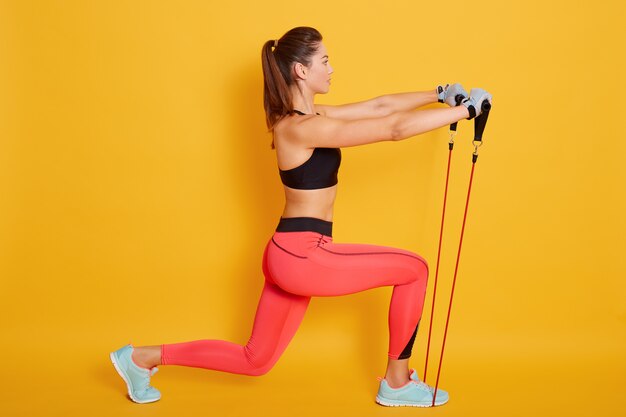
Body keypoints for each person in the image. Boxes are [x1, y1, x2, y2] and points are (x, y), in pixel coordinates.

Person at [109, 26, 492, 407]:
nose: (331, 68)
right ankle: (396, 382)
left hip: (288, 254)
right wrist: (466, 110)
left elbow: (380, 107)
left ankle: (139, 358)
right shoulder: (300, 128)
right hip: (303, 255)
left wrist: (439, 94)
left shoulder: (311, 115)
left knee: (254, 360)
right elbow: (392, 129)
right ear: (301, 71)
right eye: (324, 60)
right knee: (415, 269)